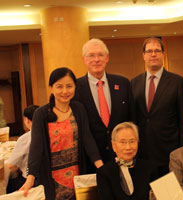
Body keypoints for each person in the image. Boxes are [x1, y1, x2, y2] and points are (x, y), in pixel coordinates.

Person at [19, 67, 103, 199]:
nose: (65, 91)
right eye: (59, 87)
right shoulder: (41, 114)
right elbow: (36, 147)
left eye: (69, 86)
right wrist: (30, 178)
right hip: (51, 177)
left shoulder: (78, 109)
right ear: (51, 88)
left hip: (77, 174)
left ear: (75, 87)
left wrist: (101, 167)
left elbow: (87, 139)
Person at [131, 37, 183, 176]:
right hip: (142, 152)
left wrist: (182, 151)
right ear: (143, 55)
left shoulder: (177, 82)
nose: (153, 54)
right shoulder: (134, 82)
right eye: (149, 51)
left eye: (157, 51)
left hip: (169, 152)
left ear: (163, 54)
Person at [74, 38, 133, 164]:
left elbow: (131, 118)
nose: (96, 59)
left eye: (100, 55)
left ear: (107, 58)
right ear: (84, 59)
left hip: (121, 156)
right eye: (91, 55)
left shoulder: (123, 83)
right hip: (90, 159)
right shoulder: (76, 88)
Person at [97, 122, 158, 200]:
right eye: (123, 142)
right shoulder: (104, 173)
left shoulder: (150, 168)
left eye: (132, 141)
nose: (128, 147)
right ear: (114, 146)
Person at [6, 105, 39, 193]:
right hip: (45, 179)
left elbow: (11, 165)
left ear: (27, 120)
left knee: (7, 183)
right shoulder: (50, 133)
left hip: (30, 181)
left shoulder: (25, 138)